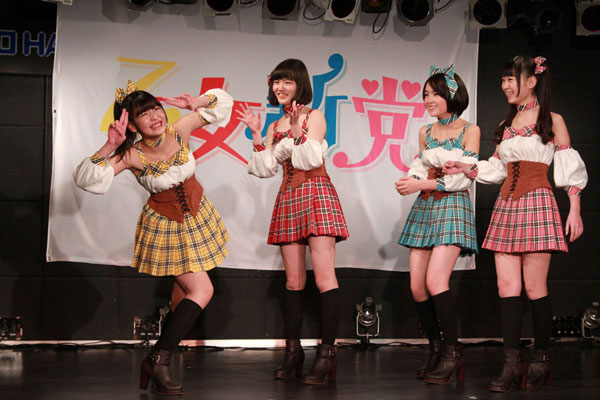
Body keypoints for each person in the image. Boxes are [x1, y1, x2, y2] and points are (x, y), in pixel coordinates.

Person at [73, 80, 233, 395]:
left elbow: (223, 103)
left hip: (197, 216)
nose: (154, 117)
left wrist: (196, 102)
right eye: (143, 114)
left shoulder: (180, 129)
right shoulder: (132, 155)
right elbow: (85, 179)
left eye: (155, 109)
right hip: (166, 226)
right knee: (202, 290)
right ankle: (157, 361)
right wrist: (110, 145)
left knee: (182, 296)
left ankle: (159, 362)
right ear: (132, 125)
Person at [444, 55, 587, 392]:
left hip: (537, 202)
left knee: (535, 288)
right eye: (503, 79)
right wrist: (466, 168)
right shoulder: (505, 125)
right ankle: (511, 364)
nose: (505, 85)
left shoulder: (552, 120)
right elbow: (497, 169)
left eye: (511, 78)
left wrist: (575, 209)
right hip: (506, 206)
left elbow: (568, 166)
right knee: (506, 287)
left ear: (532, 81)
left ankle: (541, 358)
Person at [237, 59, 349, 385]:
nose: (280, 87)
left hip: (316, 194)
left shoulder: (314, 116)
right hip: (288, 197)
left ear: (300, 84)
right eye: (277, 82)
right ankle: (293, 352)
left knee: (325, 278)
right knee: (293, 282)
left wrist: (299, 131)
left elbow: (312, 159)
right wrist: (257, 134)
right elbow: (265, 168)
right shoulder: (275, 126)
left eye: (287, 81)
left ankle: (327, 354)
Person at [395, 64, 480, 385]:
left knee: (435, 281)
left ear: (451, 96)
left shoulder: (470, 130)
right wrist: (411, 181)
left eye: (435, 94)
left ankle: (453, 352)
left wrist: (421, 184)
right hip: (426, 204)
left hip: (453, 205)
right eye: (426, 94)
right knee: (417, 286)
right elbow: (420, 166)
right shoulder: (425, 132)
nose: (428, 100)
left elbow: (463, 178)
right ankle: (435, 348)